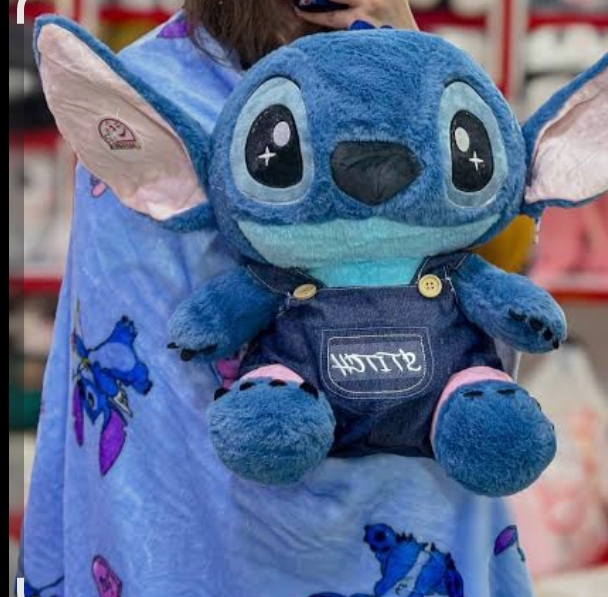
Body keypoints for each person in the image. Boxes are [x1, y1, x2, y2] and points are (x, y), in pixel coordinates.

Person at [20, 2, 534, 595]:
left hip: (412, 516)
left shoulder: (416, 69)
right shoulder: (148, 97)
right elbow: (153, 411)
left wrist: (408, 50)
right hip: (221, 531)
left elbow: (490, 289)